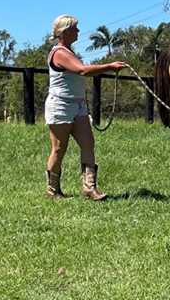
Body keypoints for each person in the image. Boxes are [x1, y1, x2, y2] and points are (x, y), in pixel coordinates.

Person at [44, 14, 126, 201]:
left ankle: (90, 188)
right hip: (60, 106)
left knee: (88, 144)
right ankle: (53, 191)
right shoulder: (59, 53)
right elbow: (82, 70)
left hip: (78, 106)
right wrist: (110, 66)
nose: (78, 31)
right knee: (59, 149)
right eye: (75, 28)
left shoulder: (69, 51)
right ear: (65, 32)